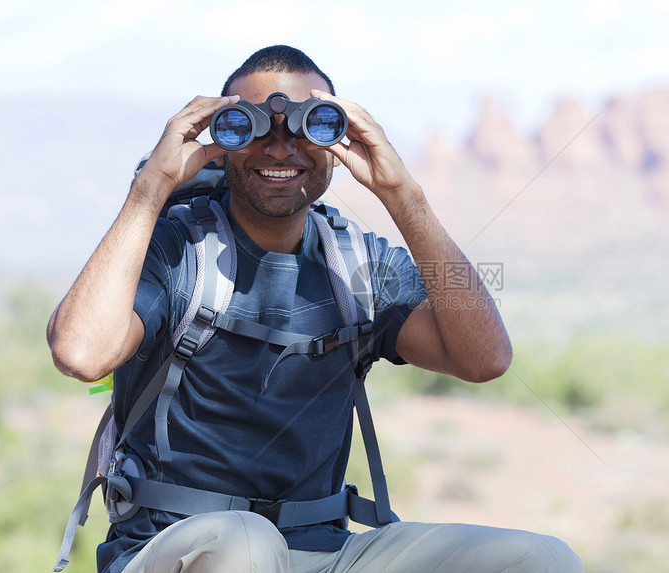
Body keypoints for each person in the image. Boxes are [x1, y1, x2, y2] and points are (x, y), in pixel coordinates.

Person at [47, 45, 583, 573]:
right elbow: (80, 353)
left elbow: (485, 358)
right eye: (250, 126)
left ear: (339, 141)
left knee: (539, 559)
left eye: (310, 126)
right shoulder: (175, 250)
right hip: (177, 548)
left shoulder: (359, 264)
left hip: (324, 552)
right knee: (246, 544)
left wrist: (403, 195)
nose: (280, 149)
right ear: (220, 137)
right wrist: (151, 189)